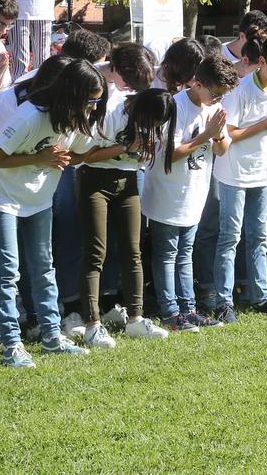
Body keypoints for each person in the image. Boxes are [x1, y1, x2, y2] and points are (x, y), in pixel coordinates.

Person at [0, 58, 104, 367]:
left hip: (39, 199)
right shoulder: (30, 116)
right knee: (7, 271)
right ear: (73, 95)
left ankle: (52, 337)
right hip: (3, 198)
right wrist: (39, 158)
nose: (94, 108)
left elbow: (78, 154)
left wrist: (65, 156)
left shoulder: (76, 119)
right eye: (90, 101)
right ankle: (12, 344)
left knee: (43, 267)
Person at [73, 44, 170, 345]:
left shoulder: (145, 105)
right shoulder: (108, 104)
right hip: (94, 180)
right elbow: (83, 155)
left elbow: (141, 150)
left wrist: (142, 151)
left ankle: (136, 319)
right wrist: (126, 147)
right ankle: (92, 323)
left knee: (133, 250)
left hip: (128, 180)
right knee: (96, 252)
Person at [143, 55, 236, 331]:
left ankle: (189, 309)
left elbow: (222, 149)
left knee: (185, 253)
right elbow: (169, 154)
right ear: (197, 83)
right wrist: (206, 134)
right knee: (167, 254)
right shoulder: (175, 106)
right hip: (167, 194)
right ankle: (170, 312)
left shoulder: (213, 108)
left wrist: (217, 134)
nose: (218, 99)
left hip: (194, 193)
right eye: (216, 93)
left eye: (222, 95)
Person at [208, 34, 267, 324]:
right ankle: (224, 301)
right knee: (230, 237)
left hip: (263, 173)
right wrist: (265, 124)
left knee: (259, 236)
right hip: (233, 174)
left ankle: (260, 296)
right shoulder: (239, 90)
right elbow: (228, 134)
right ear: (262, 62)